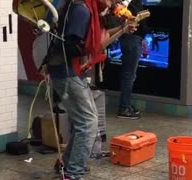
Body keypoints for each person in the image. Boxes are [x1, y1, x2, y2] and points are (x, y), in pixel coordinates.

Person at [43, 0, 138, 179]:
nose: (113, 2)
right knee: (87, 124)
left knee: (86, 121)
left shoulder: (88, 9)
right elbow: (72, 45)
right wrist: (88, 54)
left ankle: (67, 164)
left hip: (69, 70)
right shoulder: (82, 10)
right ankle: (73, 173)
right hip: (66, 71)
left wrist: (123, 29)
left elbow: (96, 42)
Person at [117, 0, 147, 119]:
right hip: (131, 39)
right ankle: (124, 108)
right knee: (129, 75)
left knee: (130, 75)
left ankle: (126, 105)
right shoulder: (127, 3)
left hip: (134, 39)